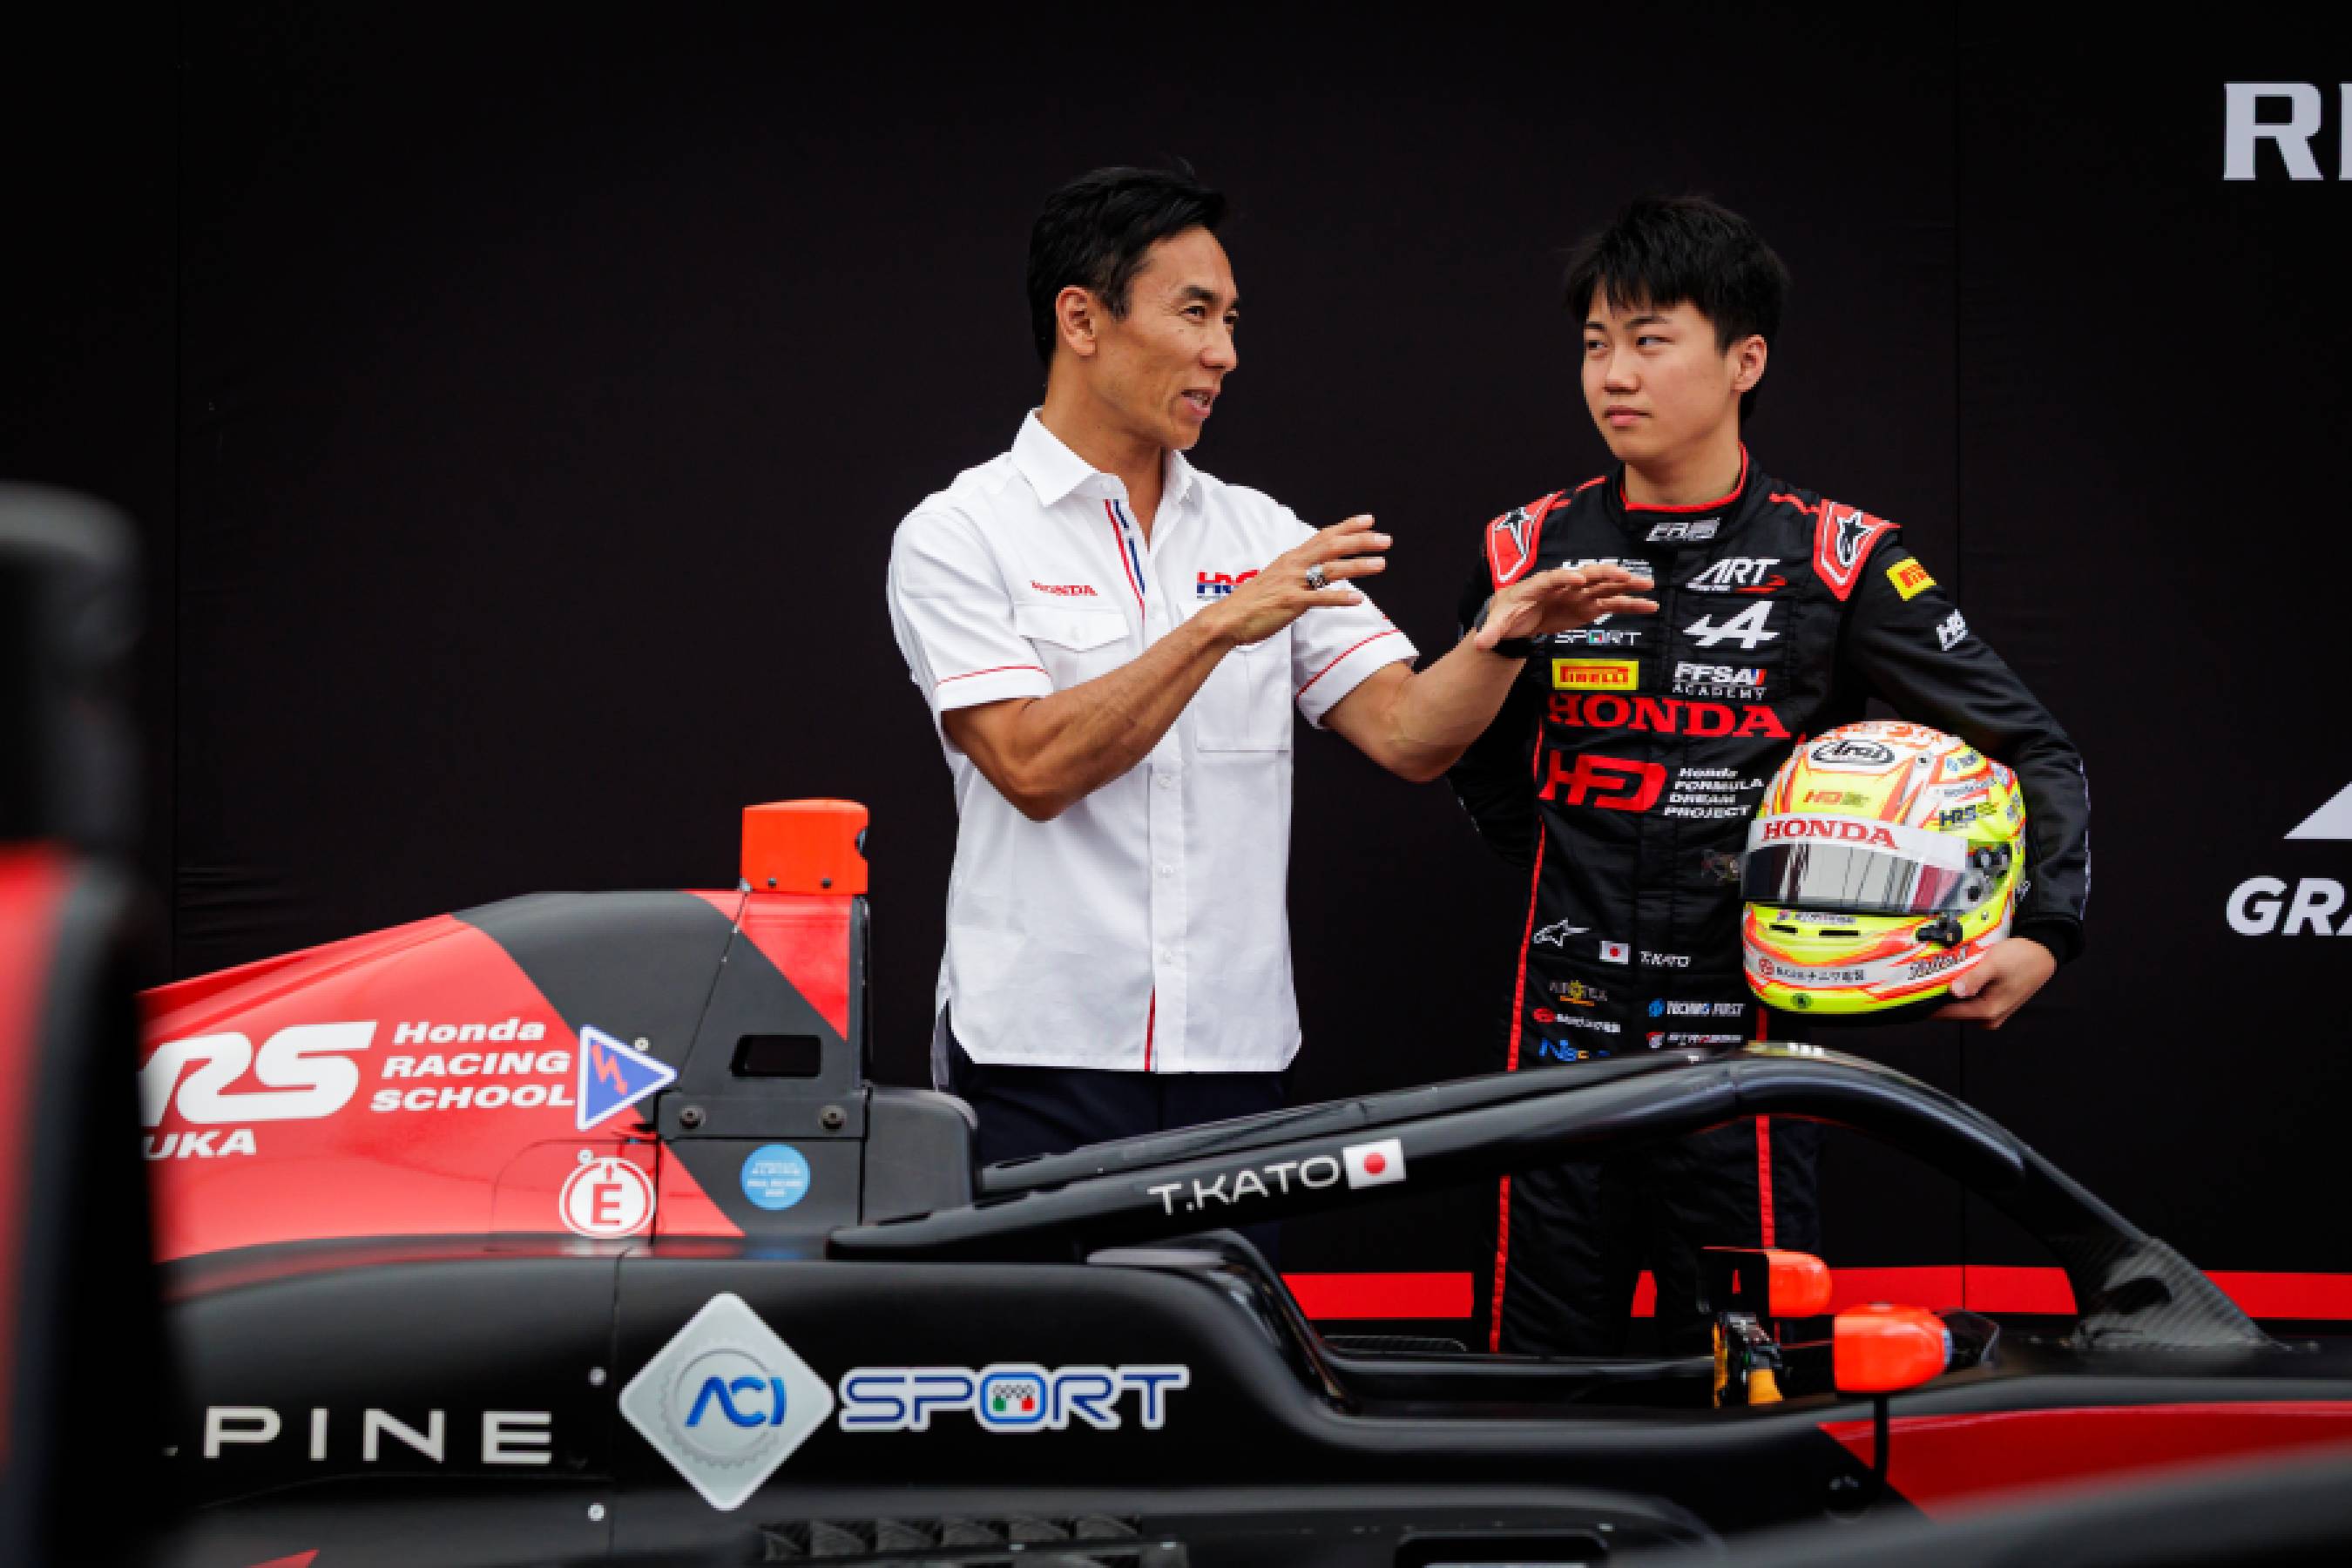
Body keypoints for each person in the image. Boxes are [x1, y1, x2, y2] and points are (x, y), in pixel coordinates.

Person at [886, 165, 1650, 1176]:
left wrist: (1499, 642)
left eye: (1233, 321)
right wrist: (1214, 628)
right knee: (1053, 1339)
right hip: (1034, 1059)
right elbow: (1030, 767)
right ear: (1082, 319)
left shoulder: (1261, 533)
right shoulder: (957, 531)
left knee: (1222, 1336)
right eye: (1195, 314)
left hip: (1236, 1064)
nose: (1224, 354)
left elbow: (1411, 733)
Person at [1449, 195, 2092, 1356]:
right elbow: (1471, 749)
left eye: (1650, 339)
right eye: (1595, 343)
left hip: (1741, 1048)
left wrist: (2045, 928)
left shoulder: (1839, 559)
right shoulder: (1524, 549)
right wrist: (1556, 853)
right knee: (1527, 1392)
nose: (1613, 374)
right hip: (1557, 1036)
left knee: (1748, 1384)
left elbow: (2030, 744)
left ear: (1745, 359)